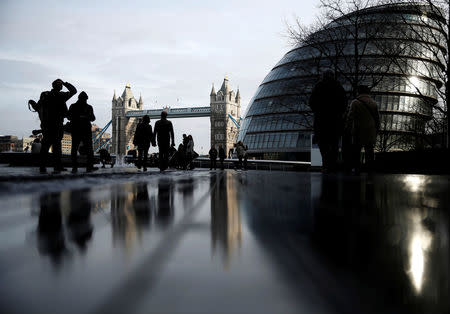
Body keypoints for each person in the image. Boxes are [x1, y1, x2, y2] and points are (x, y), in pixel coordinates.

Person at [309, 70, 347, 173]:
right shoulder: (338, 86)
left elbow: (311, 102)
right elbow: (344, 103)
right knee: (334, 143)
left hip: (321, 120)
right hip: (335, 121)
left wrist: (318, 111)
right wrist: (338, 113)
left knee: (323, 143)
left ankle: (325, 165)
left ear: (323, 76)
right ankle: (332, 165)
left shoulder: (318, 86)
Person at [37, 79, 77, 174]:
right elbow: (74, 91)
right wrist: (65, 83)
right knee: (57, 146)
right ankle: (57, 166)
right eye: (61, 85)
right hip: (57, 124)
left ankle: (42, 166)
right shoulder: (61, 95)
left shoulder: (45, 94)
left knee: (45, 145)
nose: (62, 86)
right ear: (59, 86)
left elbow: (38, 106)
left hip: (46, 124)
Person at [346, 85, 380, 173]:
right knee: (369, 149)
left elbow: (350, 117)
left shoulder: (355, 102)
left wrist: (348, 128)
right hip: (370, 130)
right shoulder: (374, 103)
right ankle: (370, 168)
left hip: (358, 129)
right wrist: (377, 129)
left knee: (357, 150)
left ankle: (357, 168)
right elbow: (377, 118)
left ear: (359, 92)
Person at [67, 91, 96, 173]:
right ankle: (89, 167)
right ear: (86, 99)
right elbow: (93, 118)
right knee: (89, 149)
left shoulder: (73, 106)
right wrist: (85, 117)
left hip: (76, 130)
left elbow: (68, 116)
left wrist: (76, 117)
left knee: (74, 148)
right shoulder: (89, 107)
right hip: (86, 130)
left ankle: (74, 167)